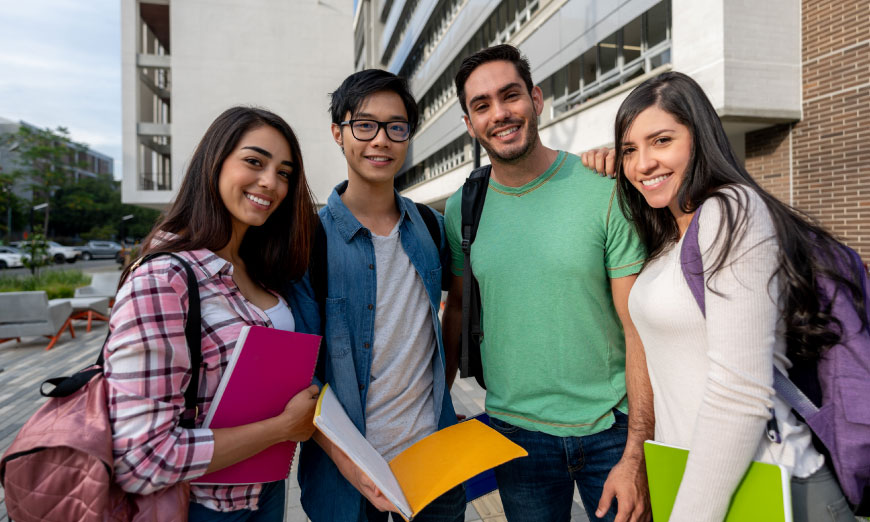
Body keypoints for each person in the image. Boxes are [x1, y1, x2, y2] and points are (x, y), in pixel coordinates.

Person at [613, 71, 856, 521]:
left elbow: (741, 392)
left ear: (699, 139)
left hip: (772, 490)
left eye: (661, 141)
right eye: (629, 150)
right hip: (704, 485)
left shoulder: (730, 212)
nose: (642, 163)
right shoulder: (670, 233)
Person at [442, 44, 652, 522]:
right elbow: (456, 309)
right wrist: (440, 405)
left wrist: (636, 451)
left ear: (536, 99)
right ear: (469, 124)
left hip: (611, 432)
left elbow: (638, 326)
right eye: (481, 105)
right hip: (516, 436)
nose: (500, 113)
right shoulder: (461, 208)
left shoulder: (602, 186)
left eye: (510, 95)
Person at [104, 106, 320, 521]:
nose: (271, 183)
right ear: (214, 163)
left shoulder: (260, 267)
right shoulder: (165, 278)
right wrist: (282, 429)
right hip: (201, 507)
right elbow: (142, 458)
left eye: (285, 172)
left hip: (265, 490)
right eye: (254, 162)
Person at [288, 69, 465, 522]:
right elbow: (300, 376)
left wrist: (440, 394)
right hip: (347, 474)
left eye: (396, 127)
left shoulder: (428, 227)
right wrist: (350, 465)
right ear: (338, 132)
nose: (380, 140)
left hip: (433, 459)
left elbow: (456, 308)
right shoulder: (309, 241)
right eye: (364, 125)